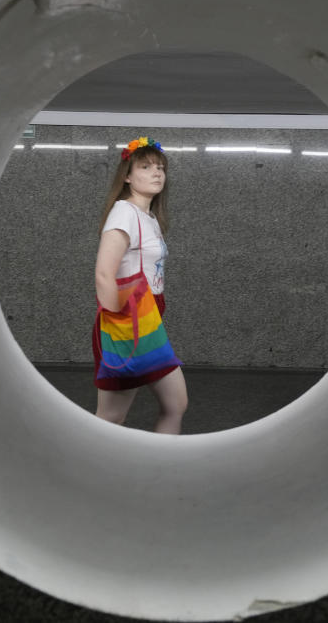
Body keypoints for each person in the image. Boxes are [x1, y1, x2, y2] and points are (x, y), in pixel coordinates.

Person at [92, 137, 188, 433]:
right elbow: (104, 275)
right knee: (111, 418)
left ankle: (162, 470)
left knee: (175, 404)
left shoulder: (149, 217)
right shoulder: (124, 212)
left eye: (160, 167)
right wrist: (119, 325)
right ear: (128, 176)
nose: (157, 172)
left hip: (149, 317)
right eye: (146, 167)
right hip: (127, 319)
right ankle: (85, 473)